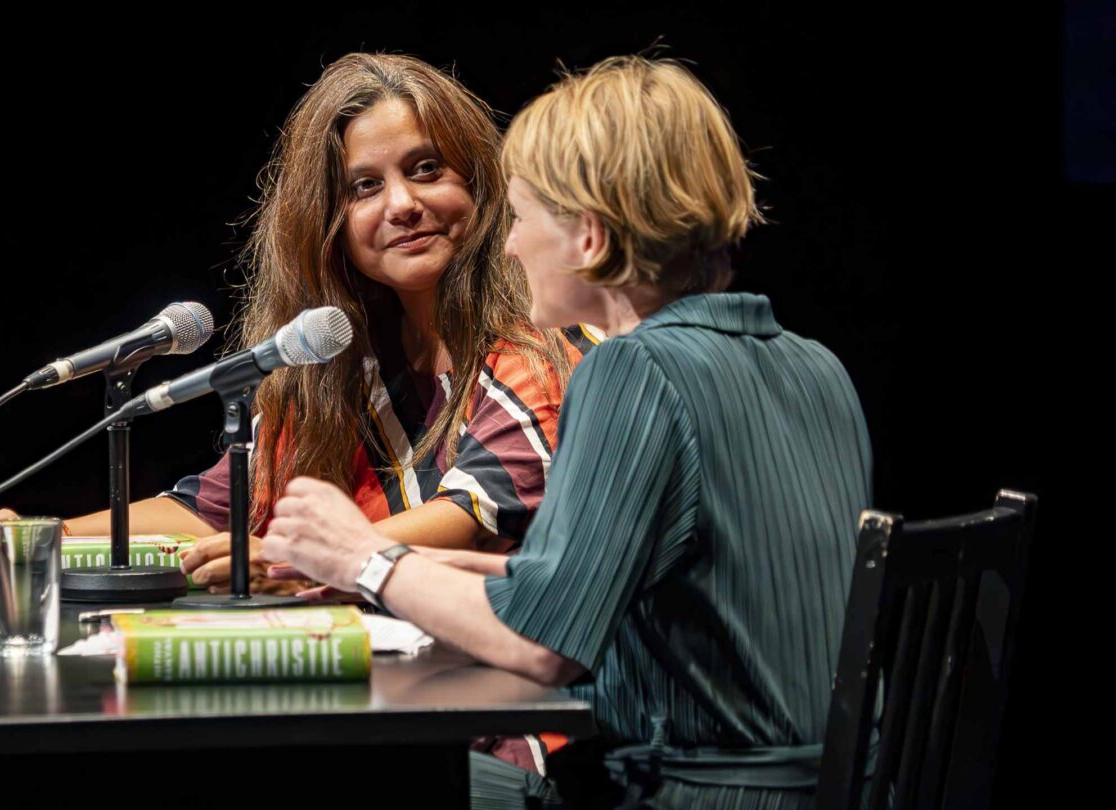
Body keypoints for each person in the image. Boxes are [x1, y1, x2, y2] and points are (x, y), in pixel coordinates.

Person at [259, 55, 873, 808]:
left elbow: (541, 644)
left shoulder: (631, 371)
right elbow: (586, 580)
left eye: (520, 216)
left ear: (587, 237)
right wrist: (375, 557)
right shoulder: (815, 365)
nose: (509, 245)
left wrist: (363, 557)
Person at [55, 54, 594, 593]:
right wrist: (42, 537)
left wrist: (298, 562)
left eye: (426, 169)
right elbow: (214, 511)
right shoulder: (340, 366)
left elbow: (472, 517)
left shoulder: (541, 341)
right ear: (326, 226)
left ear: (480, 182)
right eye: (364, 187)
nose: (402, 204)